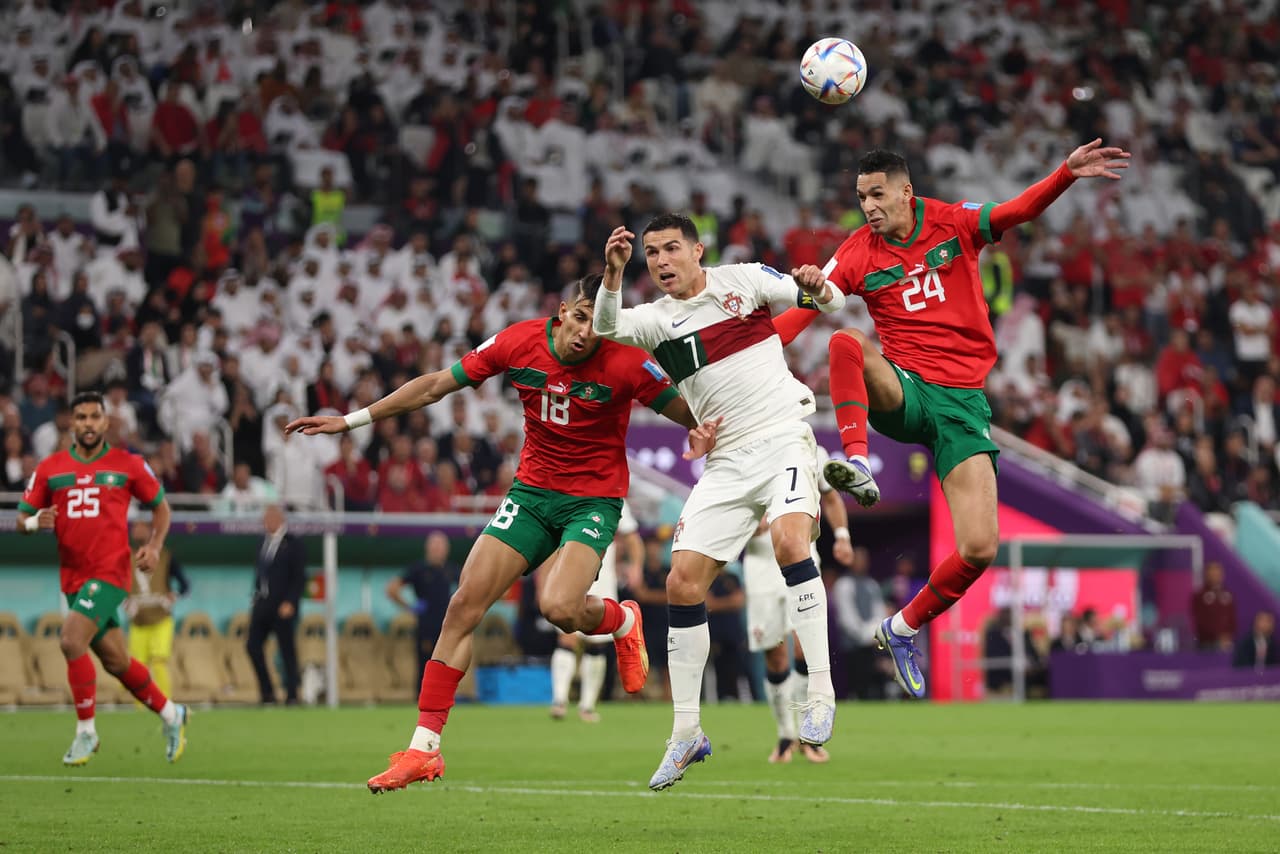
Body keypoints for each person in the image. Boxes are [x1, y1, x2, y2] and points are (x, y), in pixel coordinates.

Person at [286, 274, 719, 792]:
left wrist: (706, 433)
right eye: (580, 316)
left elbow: (692, 414)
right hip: (531, 495)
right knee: (464, 603)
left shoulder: (627, 362)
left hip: (593, 502)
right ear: (562, 311)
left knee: (559, 610)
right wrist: (352, 420)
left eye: (598, 322)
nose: (586, 332)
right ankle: (424, 749)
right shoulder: (519, 342)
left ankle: (622, 620)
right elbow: (434, 386)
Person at [774, 139, 1130, 698]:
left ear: (905, 192)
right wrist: (750, 353)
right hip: (907, 390)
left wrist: (1065, 174)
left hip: (964, 404)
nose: (868, 205)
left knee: (980, 548)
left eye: (877, 193)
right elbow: (801, 312)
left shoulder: (950, 222)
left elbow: (1015, 211)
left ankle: (900, 628)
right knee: (845, 340)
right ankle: (858, 461)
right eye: (861, 196)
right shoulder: (857, 250)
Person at [592, 215, 848, 791]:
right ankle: (686, 733)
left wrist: (813, 283)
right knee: (682, 583)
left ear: (697, 249)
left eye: (671, 249)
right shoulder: (654, 320)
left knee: (788, 542)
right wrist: (612, 272)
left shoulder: (746, 280)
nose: (660, 261)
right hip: (726, 459)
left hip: (783, 433)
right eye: (651, 253)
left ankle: (821, 693)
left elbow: (827, 300)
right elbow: (606, 328)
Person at [17, 390, 188, 765]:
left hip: (110, 572)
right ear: (71, 423)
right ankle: (173, 715)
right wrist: (33, 521)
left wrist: (156, 546)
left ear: (106, 422)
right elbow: (21, 518)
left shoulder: (128, 464)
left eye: (95, 417)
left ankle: (86, 732)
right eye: (82, 417)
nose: (89, 424)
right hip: (74, 579)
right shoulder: (50, 468)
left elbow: (161, 509)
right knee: (117, 662)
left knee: (70, 639)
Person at [741, 447, 852, 764]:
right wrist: (750, 523)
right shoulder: (746, 448)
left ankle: (810, 734)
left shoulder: (809, 449)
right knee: (775, 656)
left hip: (802, 561)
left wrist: (842, 535)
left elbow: (829, 496)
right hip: (761, 569)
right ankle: (785, 734)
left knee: (805, 647)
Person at [549, 499, 643, 723]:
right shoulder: (567, 490)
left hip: (602, 574)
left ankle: (587, 705)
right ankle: (560, 699)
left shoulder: (616, 498)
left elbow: (632, 537)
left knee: (598, 642)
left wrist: (636, 567)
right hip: (568, 568)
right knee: (567, 636)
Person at [246, 504, 307, 705]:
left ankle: (292, 694)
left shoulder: (293, 543)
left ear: (280, 519)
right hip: (263, 603)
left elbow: (299, 577)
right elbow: (261, 573)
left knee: (287, 650)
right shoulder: (261, 542)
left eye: (271, 517)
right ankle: (267, 692)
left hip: (283, 605)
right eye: (265, 518)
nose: (267, 522)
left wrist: (291, 601)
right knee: (252, 646)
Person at [124, 518, 190, 698]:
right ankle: (140, 707)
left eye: (141, 527)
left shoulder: (165, 556)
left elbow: (185, 585)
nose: (136, 531)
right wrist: (125, 602)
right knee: (137, 666)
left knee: (159, 662)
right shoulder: (126, 558)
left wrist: (172, 596)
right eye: (134, 527)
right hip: (138, 621)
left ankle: (164, 705)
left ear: (151, 531)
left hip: (161, 619)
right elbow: (117, 586)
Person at [387, 531, 458, 681]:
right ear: (428, 548)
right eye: (435, 546)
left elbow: (468, 588)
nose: (438, 550)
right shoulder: (418, 569)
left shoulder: (451, 570)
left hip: (446, 627)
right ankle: (421, 701)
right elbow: (391, 589)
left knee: (446, 666)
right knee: (426, 666)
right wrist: (410, 607)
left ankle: (442, 701)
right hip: (425, 627)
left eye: (441, 547)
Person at [1191, 561, 1236, 652]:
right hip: (1207, 644)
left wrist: (1228, 635)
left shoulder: (1228, 594)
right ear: (1207, 575)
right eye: (1212, 573)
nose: (1215, 576)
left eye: (1218, 573)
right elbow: (1199, 620)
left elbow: (1232, 618)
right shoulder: (1199, 596)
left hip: (1226, 643)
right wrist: (1216, 637)